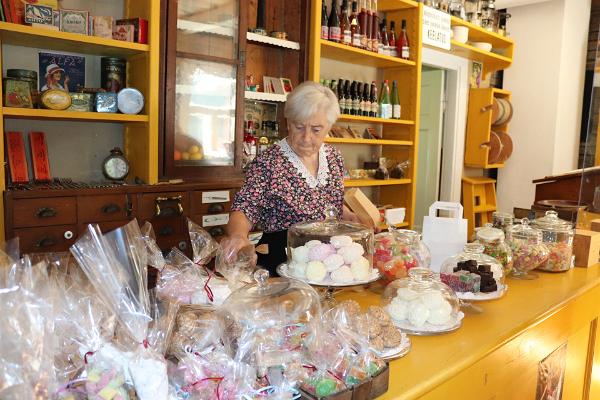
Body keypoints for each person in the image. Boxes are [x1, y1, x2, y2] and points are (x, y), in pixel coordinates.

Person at [223, 81, 359, 275]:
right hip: (284, 263)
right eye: (299, 127)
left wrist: (348, 216)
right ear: (288, 122)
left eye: (316, 129)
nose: (306, 137)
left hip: (330, 263)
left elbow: (325, 200)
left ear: (329, 126)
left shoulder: (334, 157)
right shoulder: (268, 162)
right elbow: (245, 208)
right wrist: (238, 236)